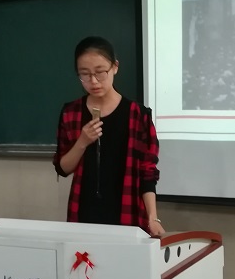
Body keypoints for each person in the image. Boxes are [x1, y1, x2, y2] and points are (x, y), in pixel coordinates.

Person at [53, 36, 165, 236]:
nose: (93, 81)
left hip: (126, 214)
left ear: (115, 67)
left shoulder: (137, 115)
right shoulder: (71, 113)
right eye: (85, 74)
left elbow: (147, 172)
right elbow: (63, 168)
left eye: (100, 72)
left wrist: (152, 218)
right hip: (83, 214)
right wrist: (82, 141)